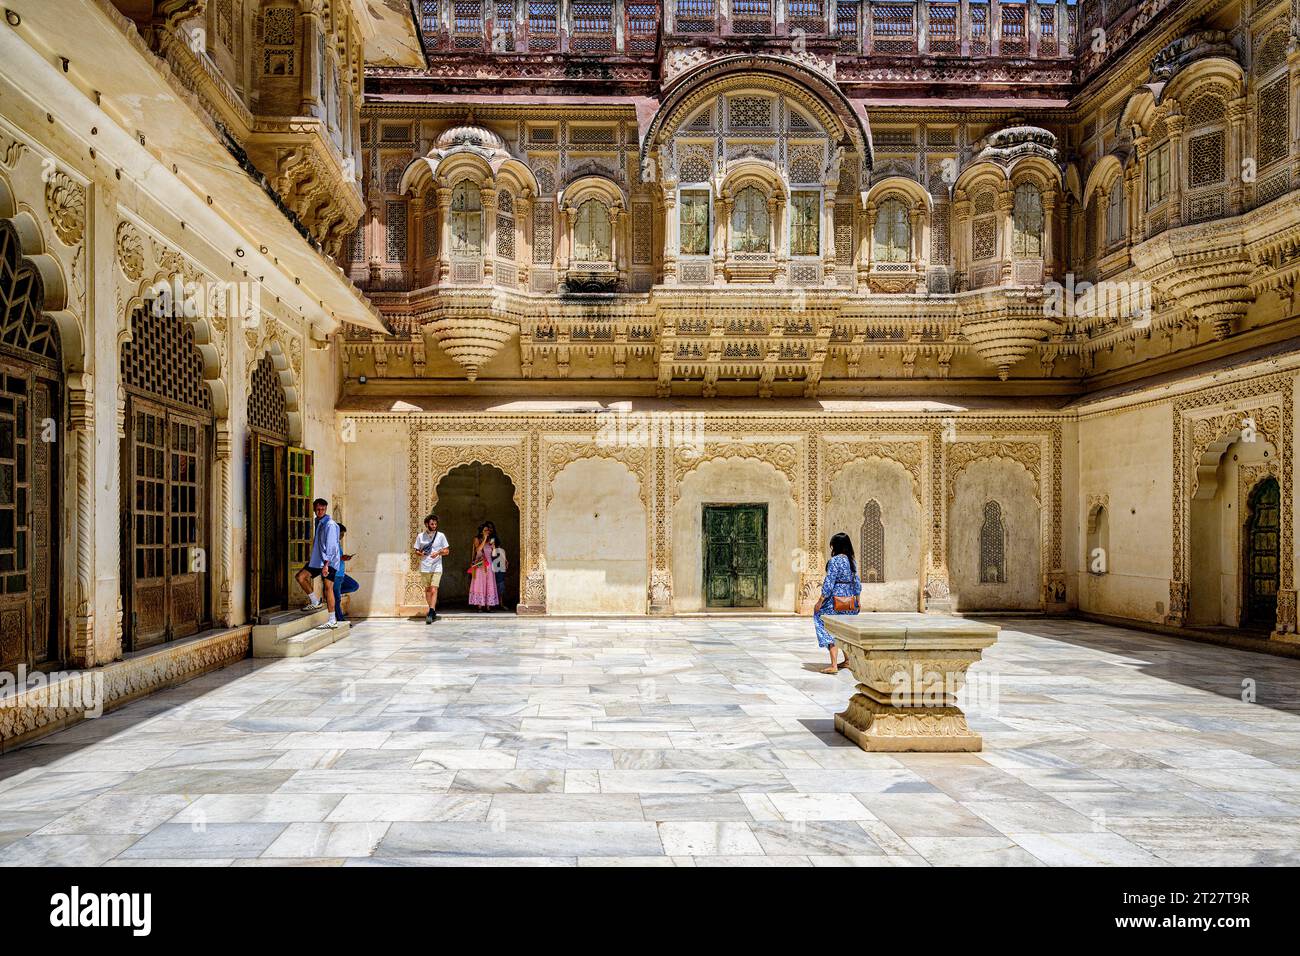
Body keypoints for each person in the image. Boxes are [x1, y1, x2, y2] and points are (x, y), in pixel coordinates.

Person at [814, 532, 862, 674]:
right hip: (849, 601)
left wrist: (820, 601)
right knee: (842, 630)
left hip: (834, 601)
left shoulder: (835, 561)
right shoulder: (851, 560)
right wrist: (858, 600)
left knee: (827, 626)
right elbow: (857, 582)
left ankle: (834, 665)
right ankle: (847, 660)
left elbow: (829, 582)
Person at [295, 498, 341, 628]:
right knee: (301, 577)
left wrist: (326, 564)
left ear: (326, 509)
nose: (320, 511)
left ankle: (332, 620)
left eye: (322, 509)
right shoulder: (318, 521)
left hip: (329, 561)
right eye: (318, 509)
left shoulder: (330, 525)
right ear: (314, 509)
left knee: (328, 588)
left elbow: (332, 546)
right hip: (317, 560)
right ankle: (315, 602)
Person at [412, 513, 450, 623]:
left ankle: (431, 610)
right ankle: (431, 610)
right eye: (432, 524)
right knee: (428, 590)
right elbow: (416, 551)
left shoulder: (441, 536)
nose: (434, 526)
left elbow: (447, 551)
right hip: (425, 566)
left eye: (435, 524)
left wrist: (438, 553)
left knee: (434, 588)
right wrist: (421, 553)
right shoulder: (420, 536)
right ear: (426, 524)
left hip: (437, 566)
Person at [332, 524, 360, 622]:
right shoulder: (330, 543)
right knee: (337, 599)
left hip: (341, 574)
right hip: (335, 574)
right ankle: (340, 620)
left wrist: (344, 557)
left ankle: (332, 593)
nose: (342, 536)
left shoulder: (337, 543)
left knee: (354, 586)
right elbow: (328, 558)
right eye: (341, 534)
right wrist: (341, 558)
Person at [467, 524, 498, 611]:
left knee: (489, 583)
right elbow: (478, 550)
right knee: (479, 583)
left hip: (489, 565)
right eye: (485, 530)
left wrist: (493, 547)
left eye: (488, 530)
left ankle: (488, 606)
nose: (487, 532)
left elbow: (494, 554)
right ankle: (479, 606)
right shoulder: (477, 539)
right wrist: (484, 539)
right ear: (481, 531)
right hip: (480, 565)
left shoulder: (491, 540)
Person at [489, 531, 508, 611]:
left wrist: (505, 562)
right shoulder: (488, 549)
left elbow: (505, 560)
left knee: (500, 587)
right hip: (491, 570)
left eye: (493, 541)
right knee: (492, 587)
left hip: (499, 570)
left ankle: (501, 603)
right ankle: (492, 604)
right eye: (490, 541)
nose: (491, 542)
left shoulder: (500, 549)